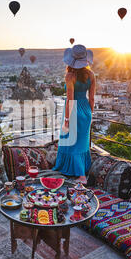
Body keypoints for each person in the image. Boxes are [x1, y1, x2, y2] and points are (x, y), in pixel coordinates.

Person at [53, 45, 95, 184]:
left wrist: (67, 118)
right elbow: (92, 98)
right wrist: (89, 113)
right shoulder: (91, 75)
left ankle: (80, 176)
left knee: (70, 141)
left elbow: (70, 100)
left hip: (73, 110)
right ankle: (82, 170)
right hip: (86, 109)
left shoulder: (70, 76)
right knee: (82, 143)